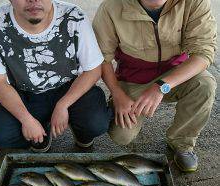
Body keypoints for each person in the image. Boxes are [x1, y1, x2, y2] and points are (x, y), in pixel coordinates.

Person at [93, 0, 217, 172]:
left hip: (176, 75)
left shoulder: (195, 2)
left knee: (205, 84)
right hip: (134, 78)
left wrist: (161, 87)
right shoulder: (111, 7)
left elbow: (203, 52)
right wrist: (118, 93)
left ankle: (182, 144)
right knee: (121, 135)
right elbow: (101, 58)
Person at [0, 0, 112, 152]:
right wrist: (26, 119)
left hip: (69, 87)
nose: (33, 0)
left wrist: (63, 104)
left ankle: (82, 133)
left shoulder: (74, 16)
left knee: (96, 122)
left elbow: (93, 70)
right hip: (24, 93)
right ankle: (40, 135)